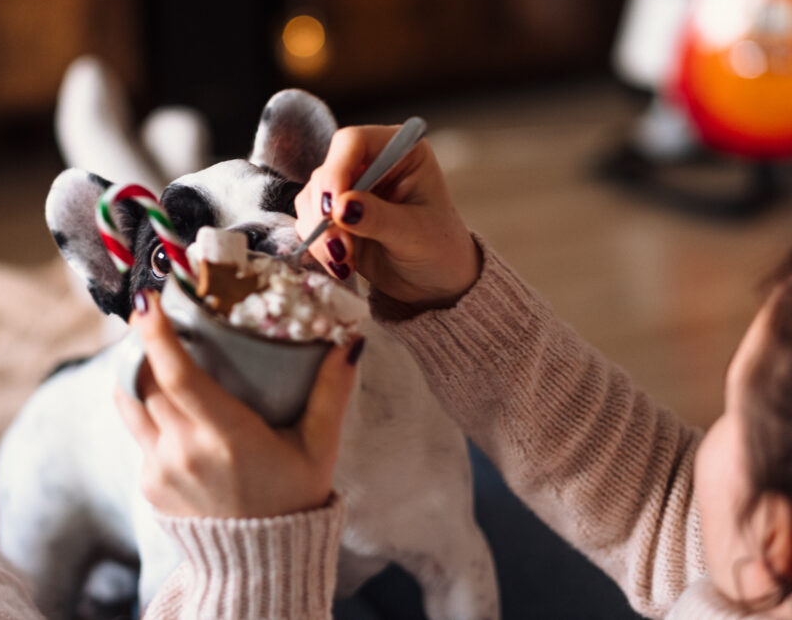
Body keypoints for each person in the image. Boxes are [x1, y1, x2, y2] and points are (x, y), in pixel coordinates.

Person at [117, 125, 792, 619]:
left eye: (732, 420)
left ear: (777, 537)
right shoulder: (745, 566)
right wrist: (454, 296)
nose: (711, 433)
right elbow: (677, 520)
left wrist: (252, 565)